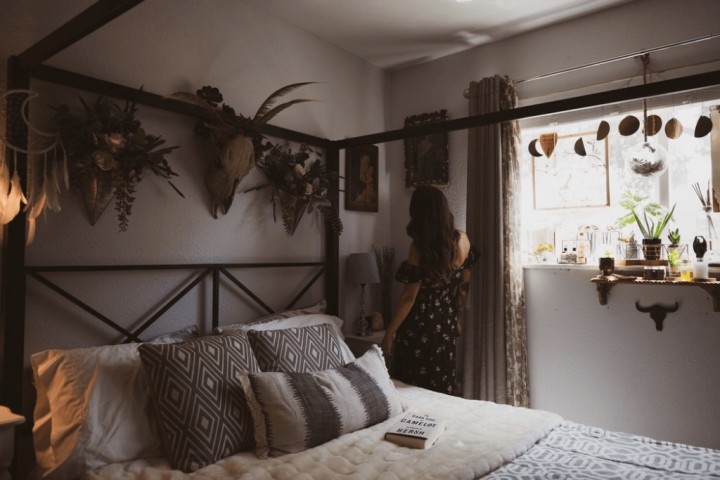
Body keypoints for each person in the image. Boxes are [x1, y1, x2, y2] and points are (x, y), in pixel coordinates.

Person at [381, 186, 477, 396]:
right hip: (445, 321)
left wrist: (389, 332)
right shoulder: (463, 239)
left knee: (412, 386)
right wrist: (458, 316)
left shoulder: (419, 248)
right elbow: (464, 285)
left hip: (420, 324)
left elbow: (408, 297)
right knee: (441, 381)